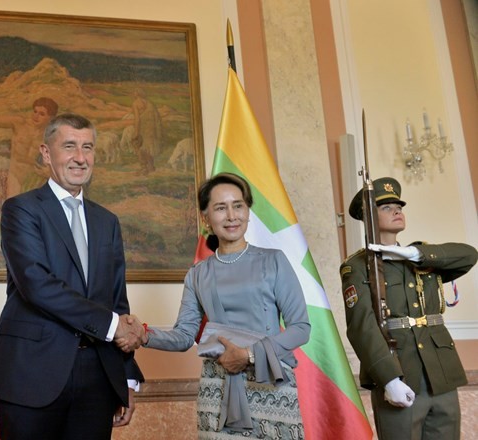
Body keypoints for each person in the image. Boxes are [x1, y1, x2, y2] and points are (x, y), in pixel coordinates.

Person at [0, 113, 145, 440]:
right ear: (46, 153)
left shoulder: (107, 221)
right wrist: (115, 327)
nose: (80, 158)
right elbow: (36, 284)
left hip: (97, 381)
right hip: (31, 376)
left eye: (88, 147)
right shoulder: (21, 210)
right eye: (69, 146)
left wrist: (125, 376)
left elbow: (117, 300)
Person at [123, 172, 310, 438]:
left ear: (247, 211)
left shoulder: (274, 261)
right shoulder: (198, 274)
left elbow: (301, 327)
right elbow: (185, 336)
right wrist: (144, 334)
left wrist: (248, 355)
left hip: (270, 381)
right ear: (206, 219)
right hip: (217, 386)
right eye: (221, 208)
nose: (232, 216)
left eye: (238, 205)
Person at [340, 177, 478, 440]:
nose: (397, 210)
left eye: (398, 205)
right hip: (400, 374)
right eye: (385, 207)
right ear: (368, 216)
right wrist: (389, 379)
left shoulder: (423, 257)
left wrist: (414, 254)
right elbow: (362, 327)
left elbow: (469, 255)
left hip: (441, 375)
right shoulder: (357, 266)